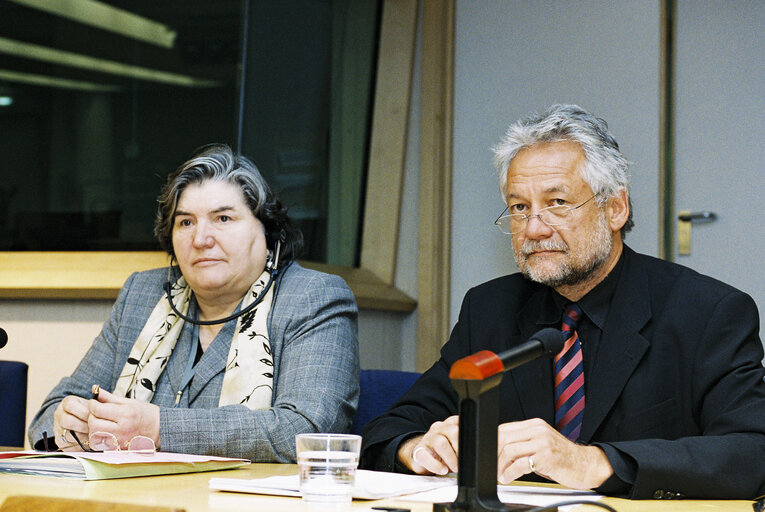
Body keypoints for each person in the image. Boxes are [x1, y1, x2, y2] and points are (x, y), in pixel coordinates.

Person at [360, 104, 765, 499]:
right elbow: (386, 429)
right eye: (520, 207)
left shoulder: (708, 311)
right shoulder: (490, 309)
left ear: (615, 208)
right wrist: (418, 447)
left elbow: (752, 452)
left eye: (557, 203)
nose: (534, 228)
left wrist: (593, 463)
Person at [28, 144, 359, 462]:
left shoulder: (312, 297)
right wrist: (72, 425)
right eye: (186, 222)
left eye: (223, 219)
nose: (201, 239)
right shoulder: (143, 294)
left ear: (268, 231)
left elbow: (308, 430)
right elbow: (47, 417)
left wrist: (158, 429)